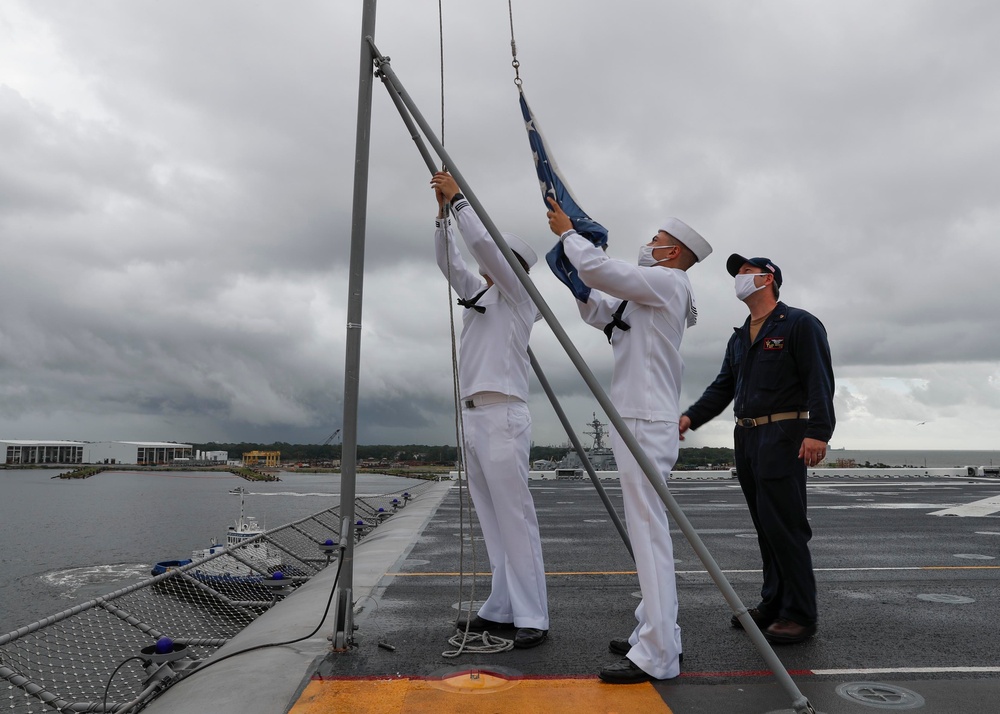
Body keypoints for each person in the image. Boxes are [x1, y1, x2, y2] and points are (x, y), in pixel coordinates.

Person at [545, 196, 713, 684]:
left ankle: (659, 653)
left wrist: (568, 234)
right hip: (634, 418)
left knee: (649, 535)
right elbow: (601, 309)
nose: (648, 246)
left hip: (646, 419)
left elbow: (601, 272)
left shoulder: (669, 282)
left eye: (657, 241)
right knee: (646, 537)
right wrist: (574, 278)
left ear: (675, 253)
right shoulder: (648, 292)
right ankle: (655, 633)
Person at [679, 254, 835, 645]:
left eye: (746, 273)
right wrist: (690, 418)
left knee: (786, 527)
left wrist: (819, 431)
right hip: (747, 437)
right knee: (766, 527)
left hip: (784, 433)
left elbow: (820, 378)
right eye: (738, 274)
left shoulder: (799, 323)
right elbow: (723, 386)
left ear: (768, 279)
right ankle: (774, 602)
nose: (739, 279)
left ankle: (800, 615)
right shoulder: (740, 335)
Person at [431, 171, 549, 649]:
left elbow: (480, 248)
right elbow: (451, 262)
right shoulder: (480, 297)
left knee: (514, 518)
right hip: (473, 416)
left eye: (497, 262)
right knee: (492, 519)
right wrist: (442, 216)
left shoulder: (520, 299)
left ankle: (533, 615)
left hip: (502, 414)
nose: (484, 268)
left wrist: (460, 201)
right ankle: (501, 607)